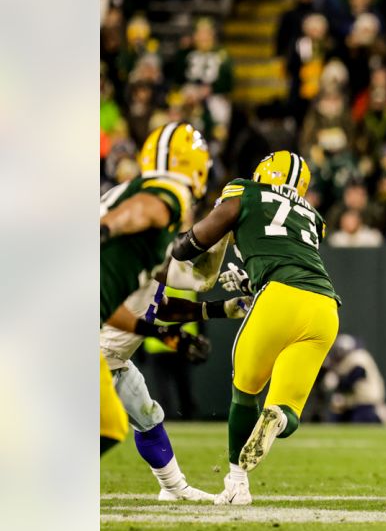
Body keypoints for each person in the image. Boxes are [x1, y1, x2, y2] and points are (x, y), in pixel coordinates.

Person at [169, 151, 341, 505]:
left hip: (280, 298)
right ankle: (278, 418)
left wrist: (183, 247)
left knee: (245, 390)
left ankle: (237, 483)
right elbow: (288, 252)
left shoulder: (245, 191)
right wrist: (250, 279)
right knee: (288, 407)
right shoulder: (313, 216)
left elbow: (219, 221)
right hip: (325, 308)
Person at [100, 236, 249, 500]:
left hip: (116, 359)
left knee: (148, 419)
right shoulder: (130, 255)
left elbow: (161, 305)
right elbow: (202, 278)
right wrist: (223, 230)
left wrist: (218, 309)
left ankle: (173, 488)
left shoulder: (144, 253)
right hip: (97, 357)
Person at [99, 122, 212, 454]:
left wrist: (161, 334)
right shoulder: (171, 193)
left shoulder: (135, 196)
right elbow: (144, 210)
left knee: (119, 424)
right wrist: (107, 228)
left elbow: (107, 306)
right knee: (108, 427)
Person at [322, 335, 386, 424]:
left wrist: (336, 381)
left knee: (357, 423)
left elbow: (350, 382)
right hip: (353, 405)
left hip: (367, 406)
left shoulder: (358, 359)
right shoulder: (350, 361)